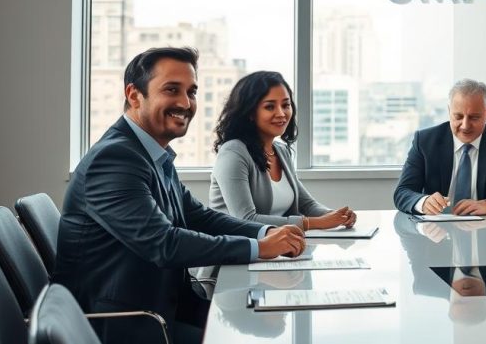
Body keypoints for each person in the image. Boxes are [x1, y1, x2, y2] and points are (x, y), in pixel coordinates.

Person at [55, 48, 305, 344]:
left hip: (165, 307)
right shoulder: (114, 158)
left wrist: (268, 232)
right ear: (134, 95)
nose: (186, 103)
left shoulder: (150, 153)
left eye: (192, 91)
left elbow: (199, 217)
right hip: (124, 324)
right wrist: (258, 247)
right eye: (172, 90)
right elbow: (164, 243)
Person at [209, 71, 356, 230]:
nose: (281, 114)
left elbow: (307, 204)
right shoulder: (233, 153)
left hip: (276, 246)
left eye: (286, 105)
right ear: (250, 113)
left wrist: (337, 216)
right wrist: (313, 223)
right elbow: (245, 219)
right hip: (238, 248)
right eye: (269, 106)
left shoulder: (280, 151)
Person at [393, 78, 486, 215]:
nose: (465, 126)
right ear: (449, 111)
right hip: (435, 231)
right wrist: (423, 202)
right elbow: (402, 192)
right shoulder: (425, 141)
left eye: (474, 117)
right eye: (458, 117)